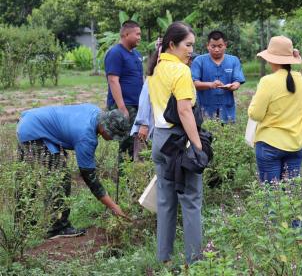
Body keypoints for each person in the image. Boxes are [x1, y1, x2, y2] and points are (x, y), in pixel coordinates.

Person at [16, 105, 130, 239]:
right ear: (105, 127)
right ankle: (57, 227)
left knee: (30, 177)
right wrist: (113, 206)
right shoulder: (86, 136)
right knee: (59, 177)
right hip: (34, 133)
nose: (112, 139)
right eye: (112, 135)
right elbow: (89, 177)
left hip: (29, 121)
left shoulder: (95, 111)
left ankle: (22, 224)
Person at [148, 21, 203, 265]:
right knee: (191, 201)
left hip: (159, 139)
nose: (191, 50)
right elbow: (184, 110)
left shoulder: (155, 68)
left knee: (166, 201)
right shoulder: (181, 71)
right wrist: (198, 145)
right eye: (187, 45)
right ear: (172, 44)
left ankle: (165, 259)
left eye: (193, 45)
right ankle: (195, 262)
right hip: (180, 141)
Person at [248, 36, 302, 183]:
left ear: (271, 59)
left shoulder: (267, 81)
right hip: (296, 143)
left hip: (270, 144)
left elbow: (256, 114)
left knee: (271, 196)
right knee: (292, 196)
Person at [104, 20, 144, 162]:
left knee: (135, 142)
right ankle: (123, 180)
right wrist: (122, 108)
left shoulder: (136, 54)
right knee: (126, 144)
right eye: (137, 34)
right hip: (125, 105)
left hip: (136, 104)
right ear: (126, 34)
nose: (140, 37)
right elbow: (113, 80)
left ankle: (132, 176)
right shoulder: (115, 53)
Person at [191, 30, 245, 123]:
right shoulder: (199, 61)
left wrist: (233, 86)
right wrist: (210, 85)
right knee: (205, 134)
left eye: (220, 46)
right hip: (205, 110)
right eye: (213, 46)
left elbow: (237, 80)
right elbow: (194, 82)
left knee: (227, 134)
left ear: (225, 45)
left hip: (227, 111)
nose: (216, 49)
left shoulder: (233, 60)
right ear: (207, 45)